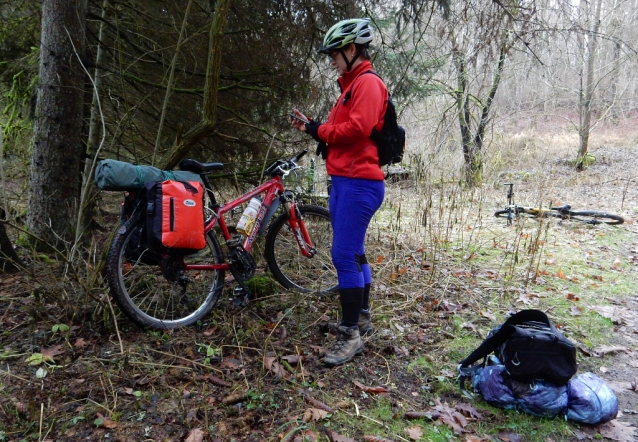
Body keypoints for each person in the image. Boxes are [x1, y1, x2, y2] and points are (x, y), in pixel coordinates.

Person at [290, 18, 387, 367]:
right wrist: (313, 128)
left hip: (359, 182)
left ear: (351, 49)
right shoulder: (352, 86)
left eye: (334, 53)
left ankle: (351, 335)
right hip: (347, 179)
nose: (331, 60)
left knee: (344, 255)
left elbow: (357, 129)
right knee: (355, 252)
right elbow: (342, 129)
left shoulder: (368, 84)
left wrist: (320, 129)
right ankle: (359, 318)